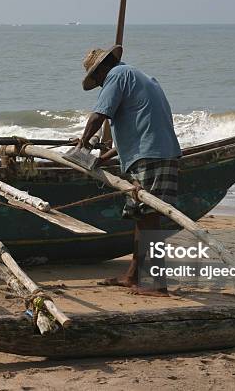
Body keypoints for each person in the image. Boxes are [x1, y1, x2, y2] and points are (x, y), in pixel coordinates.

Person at [75, 45, 181, 297]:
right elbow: (138, 127)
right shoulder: (138, 77)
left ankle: (158, 285)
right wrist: (104, 158)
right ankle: (133, 276)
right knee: (141, 217)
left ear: (102, 70)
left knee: (150, 219)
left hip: (152, 155)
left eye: (98, 79)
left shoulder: (117, 76)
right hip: (152, 152)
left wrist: (81, 145)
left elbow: (98, 115)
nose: (100, 85)